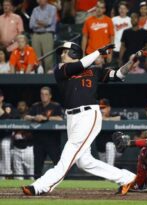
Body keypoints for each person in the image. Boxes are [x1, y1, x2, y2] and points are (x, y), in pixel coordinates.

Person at [22, 41, 140, 196]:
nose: (62, 55)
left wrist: (132, 61)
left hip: (88, 115)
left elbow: (118, 74)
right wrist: (98, 52)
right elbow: (78, 66)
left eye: (65, 52)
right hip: (72, 117)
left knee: (68, 153)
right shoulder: (60, 69)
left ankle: (40, 186)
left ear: (74, 53)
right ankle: (128, 178)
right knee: (84, 161)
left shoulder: (94, 70)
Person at [24, 86, 64, 179]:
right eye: (42, 94)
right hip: (38, 141)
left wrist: (46, 118)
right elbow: (26, 117)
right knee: (37, 167)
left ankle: (61, 183)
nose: (44, 96)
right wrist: (35, 117)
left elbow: (60, 118)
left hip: (52, 141)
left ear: (50, 96)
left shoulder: (56, 106)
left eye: (46, 94)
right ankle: (37, 186)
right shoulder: (36, 106)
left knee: (58, 164)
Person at [95, 98, 125, 166]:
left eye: (103, 108)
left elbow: (123, 118)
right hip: (102, 152)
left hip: (116, 151)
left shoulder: (114, 115)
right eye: (100, 108)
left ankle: (110, 172)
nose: (101, 110)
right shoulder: (96, 117)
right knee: (104, 169)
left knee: (110, 145)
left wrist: (107, 119)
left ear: (109, 108)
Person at [29, 0, 56, 73]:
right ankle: (37, 76)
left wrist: (38, 22)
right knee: (36, 58)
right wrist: (44, 23)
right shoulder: (35, 9)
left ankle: (48, 77)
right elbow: (31, 24)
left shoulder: (52, 8)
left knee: (48, 59)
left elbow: (49, 22)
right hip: (36, 35)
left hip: (47, 34)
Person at [11, 101, 34, 180]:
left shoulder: (30, 117)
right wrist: (15, 136)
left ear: (26, 107)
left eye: (23, 105)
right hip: (17, 148)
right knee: (18, 176)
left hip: (28, 149)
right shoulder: (14, 117)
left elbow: (33, 134)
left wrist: (23, 135)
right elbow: (11, 133)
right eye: (19, 105)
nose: (21, 107)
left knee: (31, 174)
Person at [0, 89, 17, 179]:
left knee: (4, 145)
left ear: (2, 98)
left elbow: (6, 116)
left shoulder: (7, 105)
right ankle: (2, 177)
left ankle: (7, 172)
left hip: (7, 135)